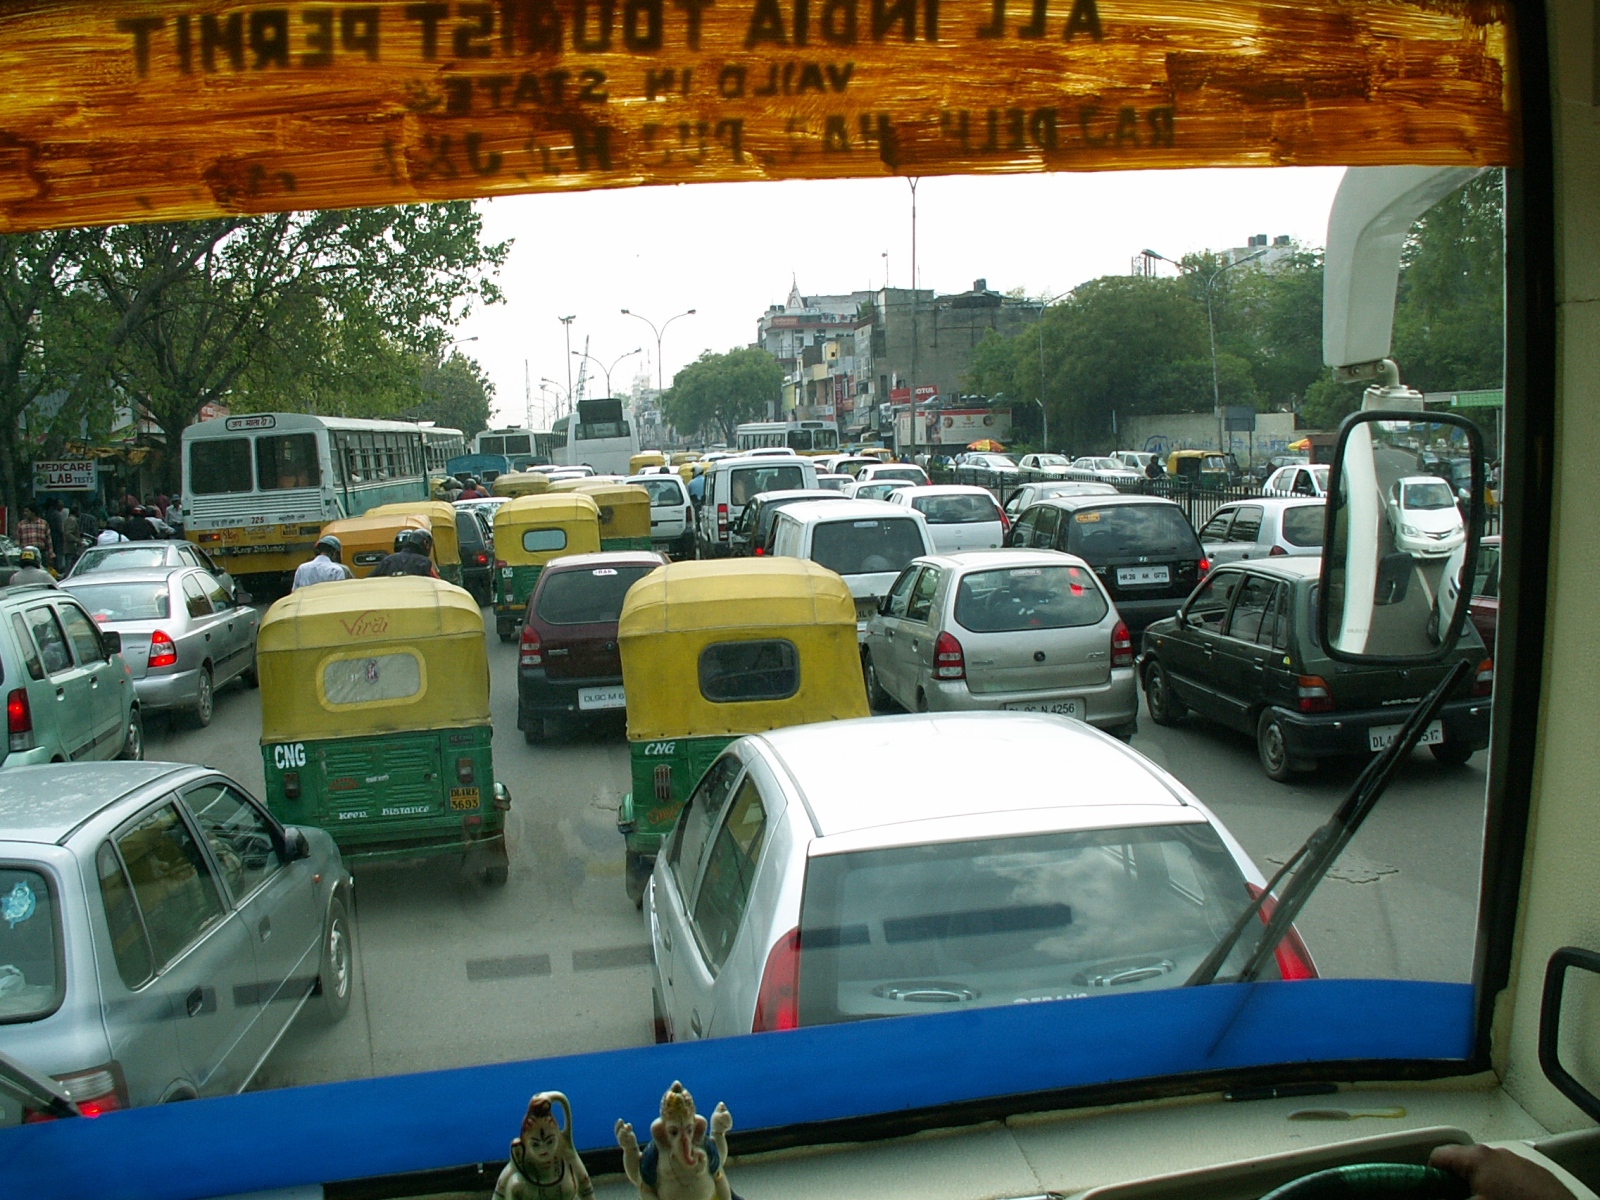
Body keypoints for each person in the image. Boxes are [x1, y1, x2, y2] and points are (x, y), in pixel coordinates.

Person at [369, 528, 439, 578]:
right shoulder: (424, 563)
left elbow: (369, 580)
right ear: (425, 544)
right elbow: (438, 583)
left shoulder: (387, 560)